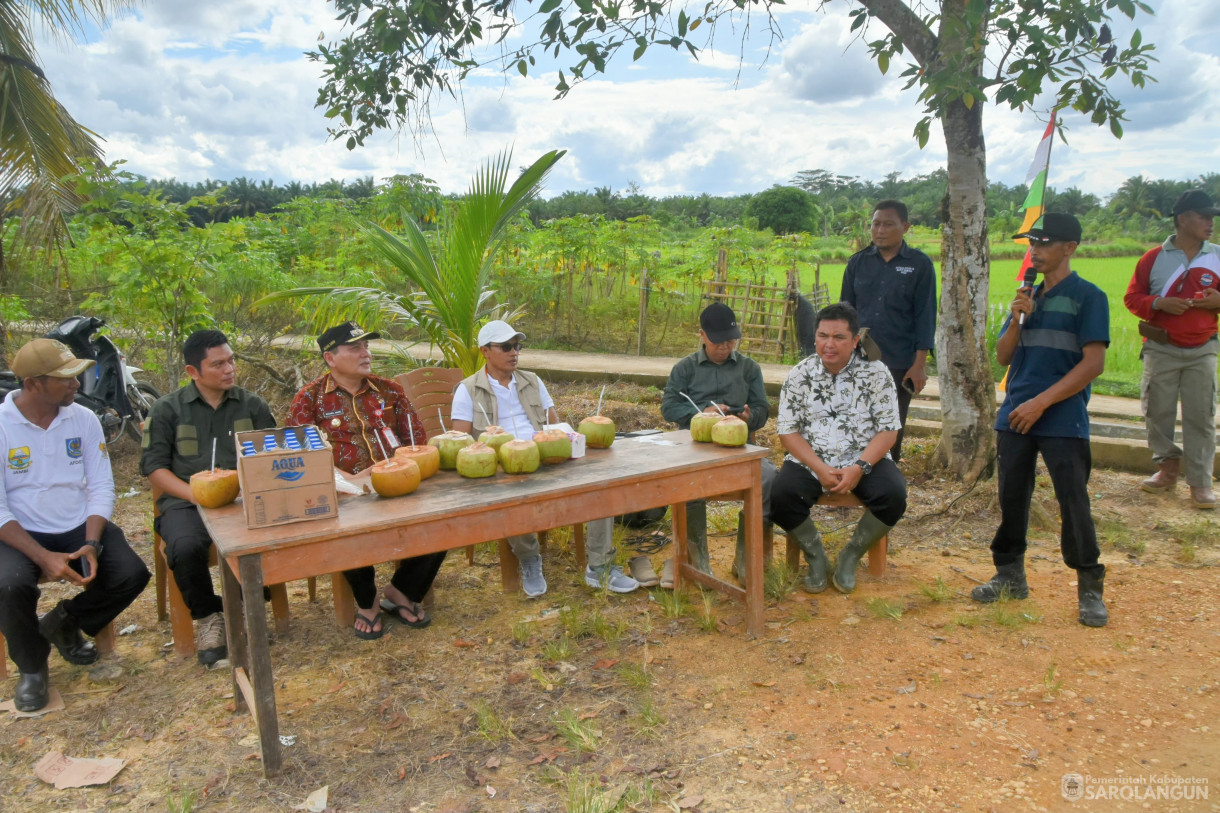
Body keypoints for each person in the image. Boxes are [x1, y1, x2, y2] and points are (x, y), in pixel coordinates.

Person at [974, 213, 1110, 627]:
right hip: (1015, 412)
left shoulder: (1089, 296)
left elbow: (1094, 364)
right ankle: (1010, 575)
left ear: (1069, 248)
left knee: (1073, 501)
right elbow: (1002, 356)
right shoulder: (1025, 295)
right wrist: (1018, 316)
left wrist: (1042, 403)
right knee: (1012, 497)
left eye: (1045, 242)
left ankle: (1089, 588)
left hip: (1062, 416)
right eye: (1032, 242)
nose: (1035, 250)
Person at [0, 339, 150, 711]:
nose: (77, 384)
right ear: (33, 383)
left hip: (77, 525)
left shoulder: (82, 418)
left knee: (131, 573)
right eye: (65, 378)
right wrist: (44, 557)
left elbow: (101, 484)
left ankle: (66, 621)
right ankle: (33, 668)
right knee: (9, 584)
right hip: (20, 531)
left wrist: (92, 542)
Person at [452, 320, 639, 597]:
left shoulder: (532, 381)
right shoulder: (467, 390)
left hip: (544, 457)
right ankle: (529, 557)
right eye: (506, 347)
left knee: (602, 483)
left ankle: (600, 565)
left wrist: (564, 441)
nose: (514, 352)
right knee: (511, 494)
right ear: (484, 351)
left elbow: (553, 426)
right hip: (503, 467)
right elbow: (461, 443)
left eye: (517, 346)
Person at [287, 322, 445, 638]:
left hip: (399, 482)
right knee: (341, 526)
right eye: (355, 347)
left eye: (366, 346)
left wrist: (391, 469)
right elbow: (302, 459)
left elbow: (418, 441)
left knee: (442, 517)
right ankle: (366, 601)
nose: (365, 353)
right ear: (330, 358)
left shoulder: (390, 391)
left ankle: (402, 591)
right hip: (344, 491)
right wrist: (350, 479)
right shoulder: (309, 399)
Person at [141, 330, 277, 666]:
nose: (229, 368)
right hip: (185, 500)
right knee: (185, 546)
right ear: (193, 372)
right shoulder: (167, 409)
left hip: (244, 496)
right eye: (218, 364)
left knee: (271, 531)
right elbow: (154, 468)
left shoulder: (253, 406)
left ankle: (248, 606)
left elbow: (273, 456)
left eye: (231, 360)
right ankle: (209, 617)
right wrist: (195, 493)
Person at [770, 303, 907, 594]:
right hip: (811, 459)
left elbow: (889, 430)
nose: (829, 344)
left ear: (855, 340)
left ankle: (851, 554)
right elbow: (788, 431)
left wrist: (860, 467)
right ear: (815, 337)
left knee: (893, 495)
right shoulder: (799, 375)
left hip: (865, 458)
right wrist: (819, 468)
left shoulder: (877, 373)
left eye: (839, 337)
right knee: (780, 495)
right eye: (823, 336)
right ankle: (816, 556)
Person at [660, 302, 774, 584]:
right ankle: (698, 564)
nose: (725, 347)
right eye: (718, 342)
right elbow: (669, 408)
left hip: (739, 450)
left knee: (770, 477)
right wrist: (700, 414)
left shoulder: (749, 368)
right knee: (687, 485)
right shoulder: (685, 369)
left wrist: (749, 417)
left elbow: (762, 408)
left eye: (730, 341)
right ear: (702, 335)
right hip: (693, 450)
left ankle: (747, 561)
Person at [1123, 189, 1220, 509]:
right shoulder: (1153, 258)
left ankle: (1201, 483)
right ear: (1183, 219)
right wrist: (1160, 303)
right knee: (1157, 410)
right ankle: (1167, 468)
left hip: (1203, 348)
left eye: (1211, 217)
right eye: (1204, 216)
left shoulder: (1217, 256)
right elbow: (1132, 299)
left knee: (1201, 415)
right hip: (1160, 347)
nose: (1210, 222)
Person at [839, 200, 937, 461]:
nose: (880, 230)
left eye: (888, 224)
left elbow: (925, 316)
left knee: (891, 422)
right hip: (859, 359)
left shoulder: (919, 265)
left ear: (904, 227)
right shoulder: (857, 263)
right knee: (854, 418)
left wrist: (919, 365)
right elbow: (844, 314)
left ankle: (885, 479)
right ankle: (849, 476)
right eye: (876, 224)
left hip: (899, 362)